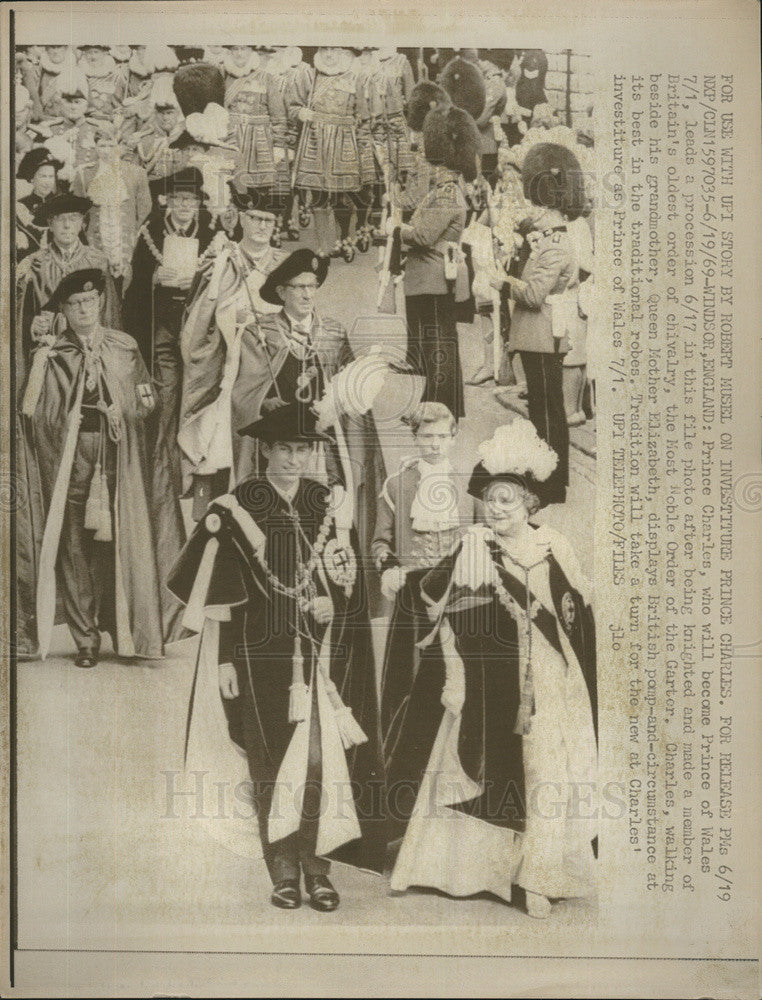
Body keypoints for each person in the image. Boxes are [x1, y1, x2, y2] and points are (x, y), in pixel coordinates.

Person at [167, 400, 387, 910]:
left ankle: (318, 865)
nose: (293, 459)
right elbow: (220, 596)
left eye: (302, 449)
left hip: (319, 653)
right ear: (265, 450)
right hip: (255, 650)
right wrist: (223, 661)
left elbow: (345, 574)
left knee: (318, 758)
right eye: (284, 448)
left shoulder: (327, 502)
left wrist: (335, 599)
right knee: (269, 757)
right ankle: (282, 867)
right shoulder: (235, 506)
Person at [388, 418, 597, 918]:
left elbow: (578, 614)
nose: (498, 506)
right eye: (493, 498)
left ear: (530, 502)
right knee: (491, 771)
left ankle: (539, 876)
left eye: (510, 498)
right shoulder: (476, 547)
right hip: (490, 682)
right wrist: (455, 677)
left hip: (550, 681)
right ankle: (476, 872)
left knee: (548, 774)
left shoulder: (555, 546)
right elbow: (445, 615)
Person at [19, 268, 187, 667]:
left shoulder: (124, 346)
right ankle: (86, 640)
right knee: (74, 546)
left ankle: (125, 630)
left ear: (101, 303)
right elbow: (35, 415)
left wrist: (127, 408)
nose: (83, 310)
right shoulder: (53, 355)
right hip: (72, 457)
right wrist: (69, 418)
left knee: (118, 542)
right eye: (75, 304)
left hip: (117, 457)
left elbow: (148, 397)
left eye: (90, 302)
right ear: (63, 310)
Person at [372, 402, 478, 759]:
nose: (434, 444)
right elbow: (380, 541)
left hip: (461, 594)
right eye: (426, 436)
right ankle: (406, 752)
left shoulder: (469, 483)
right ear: (415, 438)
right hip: (414, 598)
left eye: (441, 437)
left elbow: (482, 535)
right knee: (413, 677)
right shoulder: (396, 485)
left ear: (453, 437)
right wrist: (388, 567)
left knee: (463, 675)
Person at [178, 179, 287, 514]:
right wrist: (232, 315)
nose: (261, 227)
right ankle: (210, 510)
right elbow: (199, 317)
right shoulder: (223, 259)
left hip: (273, 361)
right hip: (226, 361)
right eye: (255, 218)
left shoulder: (284, 263)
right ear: (241, 219)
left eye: (268, 221)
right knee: (217, 431)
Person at [497, 141, 586, 505]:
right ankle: (548, 476)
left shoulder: (556, 244)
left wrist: (502, 282)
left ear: (552, 209)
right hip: (538, 334)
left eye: (540, 209)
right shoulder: (549, 239)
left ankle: (550, 483)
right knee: (542, 406)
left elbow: (533, 295)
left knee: (547, 411)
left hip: (542, 333)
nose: (536, 215)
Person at [123, 166, 216, 497]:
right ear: (168, 201)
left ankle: (194, 468)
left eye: (190, 199)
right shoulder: (151, 232)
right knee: (165, 394)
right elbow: (133, 290)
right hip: (161, 326)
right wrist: (154, 278)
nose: (184, 206)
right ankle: (164, 471)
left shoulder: (211, 232)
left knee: (197, 394)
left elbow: (224, 281)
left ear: (198, 203)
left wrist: (202, 280)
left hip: (198, 329)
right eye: (178, 198)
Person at [396, 105, 480, 421]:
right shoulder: (444, 191)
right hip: (430, 277)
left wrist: (395, 229)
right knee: (436, 347)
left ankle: (440, 409)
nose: (434, 171)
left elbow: (422, 235)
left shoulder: (446, 194)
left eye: (438, 167)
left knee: (438, 348)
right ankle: (438, 406)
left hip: (434, 278)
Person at [288, 46, 375, 259]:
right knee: (317, 196)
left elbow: (363, 118)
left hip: (345, 142)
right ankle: (324, 246)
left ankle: (344, 237)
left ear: (344, 52)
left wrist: (364, 149)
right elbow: (291, 107)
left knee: (342, 195)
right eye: (324, 49)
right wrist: (301, 112)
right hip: (315, 140)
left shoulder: (356, 78)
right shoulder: (308, 75)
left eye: (334, 49)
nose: (329, 54)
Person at [72, 121, 152, 295]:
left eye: (111, 145)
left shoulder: (137, 173)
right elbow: (77, 211)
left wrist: (132, 233)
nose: (107, 150)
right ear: (96, 147)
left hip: (128, 240)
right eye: (102, 145)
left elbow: (145, 209)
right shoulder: (84, 175)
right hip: (95, 241)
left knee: (127, 288)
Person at [15, 146, 64, 261]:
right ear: (31, 178)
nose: (47, 182)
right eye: (43, 176)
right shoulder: (20, 207)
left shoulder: (64, 204)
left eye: (51, 177)